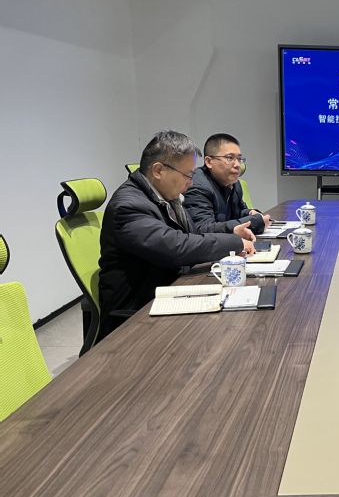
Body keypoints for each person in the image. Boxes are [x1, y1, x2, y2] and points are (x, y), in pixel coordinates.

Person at [99, 131, 256, 342]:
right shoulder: (129, 206)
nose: (191, 183)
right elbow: (176, 247)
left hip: (169, 292)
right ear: (158, 170)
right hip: (138, 316)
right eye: (188, 175)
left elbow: (194, 234)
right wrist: (235, 242)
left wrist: (231, 235)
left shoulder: (166, 197)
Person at [184, 133, 270, 234]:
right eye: (230, 158)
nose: (237, 165)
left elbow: (237, 212)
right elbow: (203, 229)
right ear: (209, 162)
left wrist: (250, 213)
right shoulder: (198, 187)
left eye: (239, 159)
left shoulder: (235, 184)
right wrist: (255, 222)